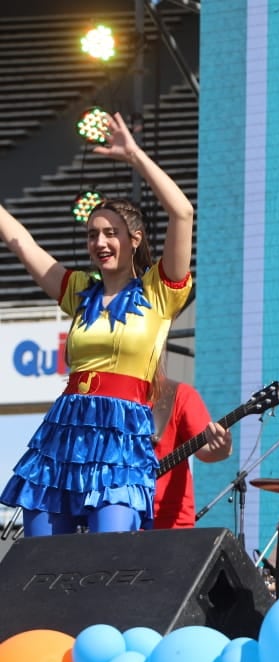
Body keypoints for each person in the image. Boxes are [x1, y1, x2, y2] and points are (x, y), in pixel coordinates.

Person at [0, 111, 196, 535]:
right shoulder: (79, 291)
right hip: (64, 431)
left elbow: (181, 212)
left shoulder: (158, 291)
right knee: (41, 558)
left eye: (111, 232)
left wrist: (134, 155)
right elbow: (21, 242)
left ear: (135, 239)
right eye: (92, 234)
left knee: (109, 554)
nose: (100, 242)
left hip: (121, 435)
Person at [150, 375, 233, 529]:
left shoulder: (177, 394)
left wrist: (222, 448)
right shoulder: (103, 394)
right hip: (116, 517)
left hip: (170, 526)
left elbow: (206, 451)